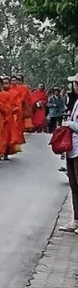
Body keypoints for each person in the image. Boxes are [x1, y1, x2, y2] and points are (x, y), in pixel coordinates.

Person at [61, 87, 78, 231]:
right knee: (74, 186)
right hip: (72, 148)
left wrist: (70, 124)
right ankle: (76, 220)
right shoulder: (76, 102)